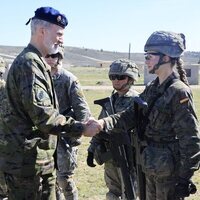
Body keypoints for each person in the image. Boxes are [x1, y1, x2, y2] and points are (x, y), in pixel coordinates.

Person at [0, 7, 100, 200]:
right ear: (42, 31)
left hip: (36, 162)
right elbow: (44, 115)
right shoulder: (29, 63)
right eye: (59, 33)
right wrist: (80, 128)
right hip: (26, 166)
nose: (61, 39)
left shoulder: (37, 62)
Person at [89, 31, 200, 200]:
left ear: (166, 57)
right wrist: (102, 123)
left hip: (168, 174)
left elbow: (191, 140)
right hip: (149, 166)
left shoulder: (178, 92)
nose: (146, 60)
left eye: (150, 56)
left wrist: (184, 179)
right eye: (145, 55)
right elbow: (129, 115)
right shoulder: (153, 87)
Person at [87, 59, 139, 200]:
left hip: (129, 158)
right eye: (112, 77)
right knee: (112, 194)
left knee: (130, 194)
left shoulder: (136, 101)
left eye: (121, 77)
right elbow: (100, 126)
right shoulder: (111, 100)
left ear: (131, 78)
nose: (116, 80)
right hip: (111, 157)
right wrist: (92, 149)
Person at [44, 47, 91, 200]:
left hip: (65, 135)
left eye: (54, 55)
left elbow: (82, 109)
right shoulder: (41, 78)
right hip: (46, 134)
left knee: (64, 178)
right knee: (50, 178)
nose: (50, 58)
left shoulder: (68, 79)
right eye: (47, 55)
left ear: (59, 57)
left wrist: (77, 133)